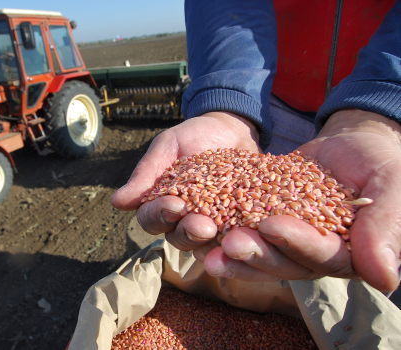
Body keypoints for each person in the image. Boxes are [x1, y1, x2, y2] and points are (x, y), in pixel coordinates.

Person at [111, 0, 401, 293]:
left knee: (368, 257)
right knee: (262, 257)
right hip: (266, 96)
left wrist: (385, 97)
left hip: (388, 114)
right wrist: (228, 101)